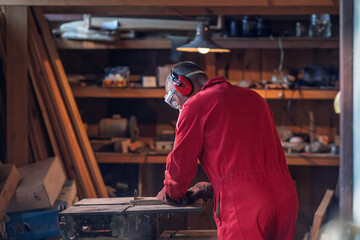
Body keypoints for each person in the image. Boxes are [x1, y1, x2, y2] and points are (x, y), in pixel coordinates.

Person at [157, 61, 298, 240]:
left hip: (245, 204)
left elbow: (181, 164)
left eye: (172, 99)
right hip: (285, 198)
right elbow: (250, 164)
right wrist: (214, 188)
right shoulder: (254, 98)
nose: (176, 107)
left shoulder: (195, 106)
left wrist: (171, 193)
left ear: (183, 86)